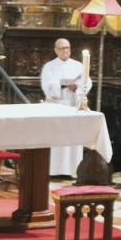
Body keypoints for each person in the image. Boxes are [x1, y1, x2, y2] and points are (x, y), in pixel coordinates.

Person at [39, 38, 92, 178]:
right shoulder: (49, 67)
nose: (65, 51)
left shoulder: (79, 66)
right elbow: (46, 87)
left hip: (72, 105)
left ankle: (73, 170)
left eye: (67, 48)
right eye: (62, 48)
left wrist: (77, 87)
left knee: (72, 138)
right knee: (56, 138)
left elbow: (87, 82)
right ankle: (53, 170)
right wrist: (62, 85)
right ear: (55, 50)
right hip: (56, 106)